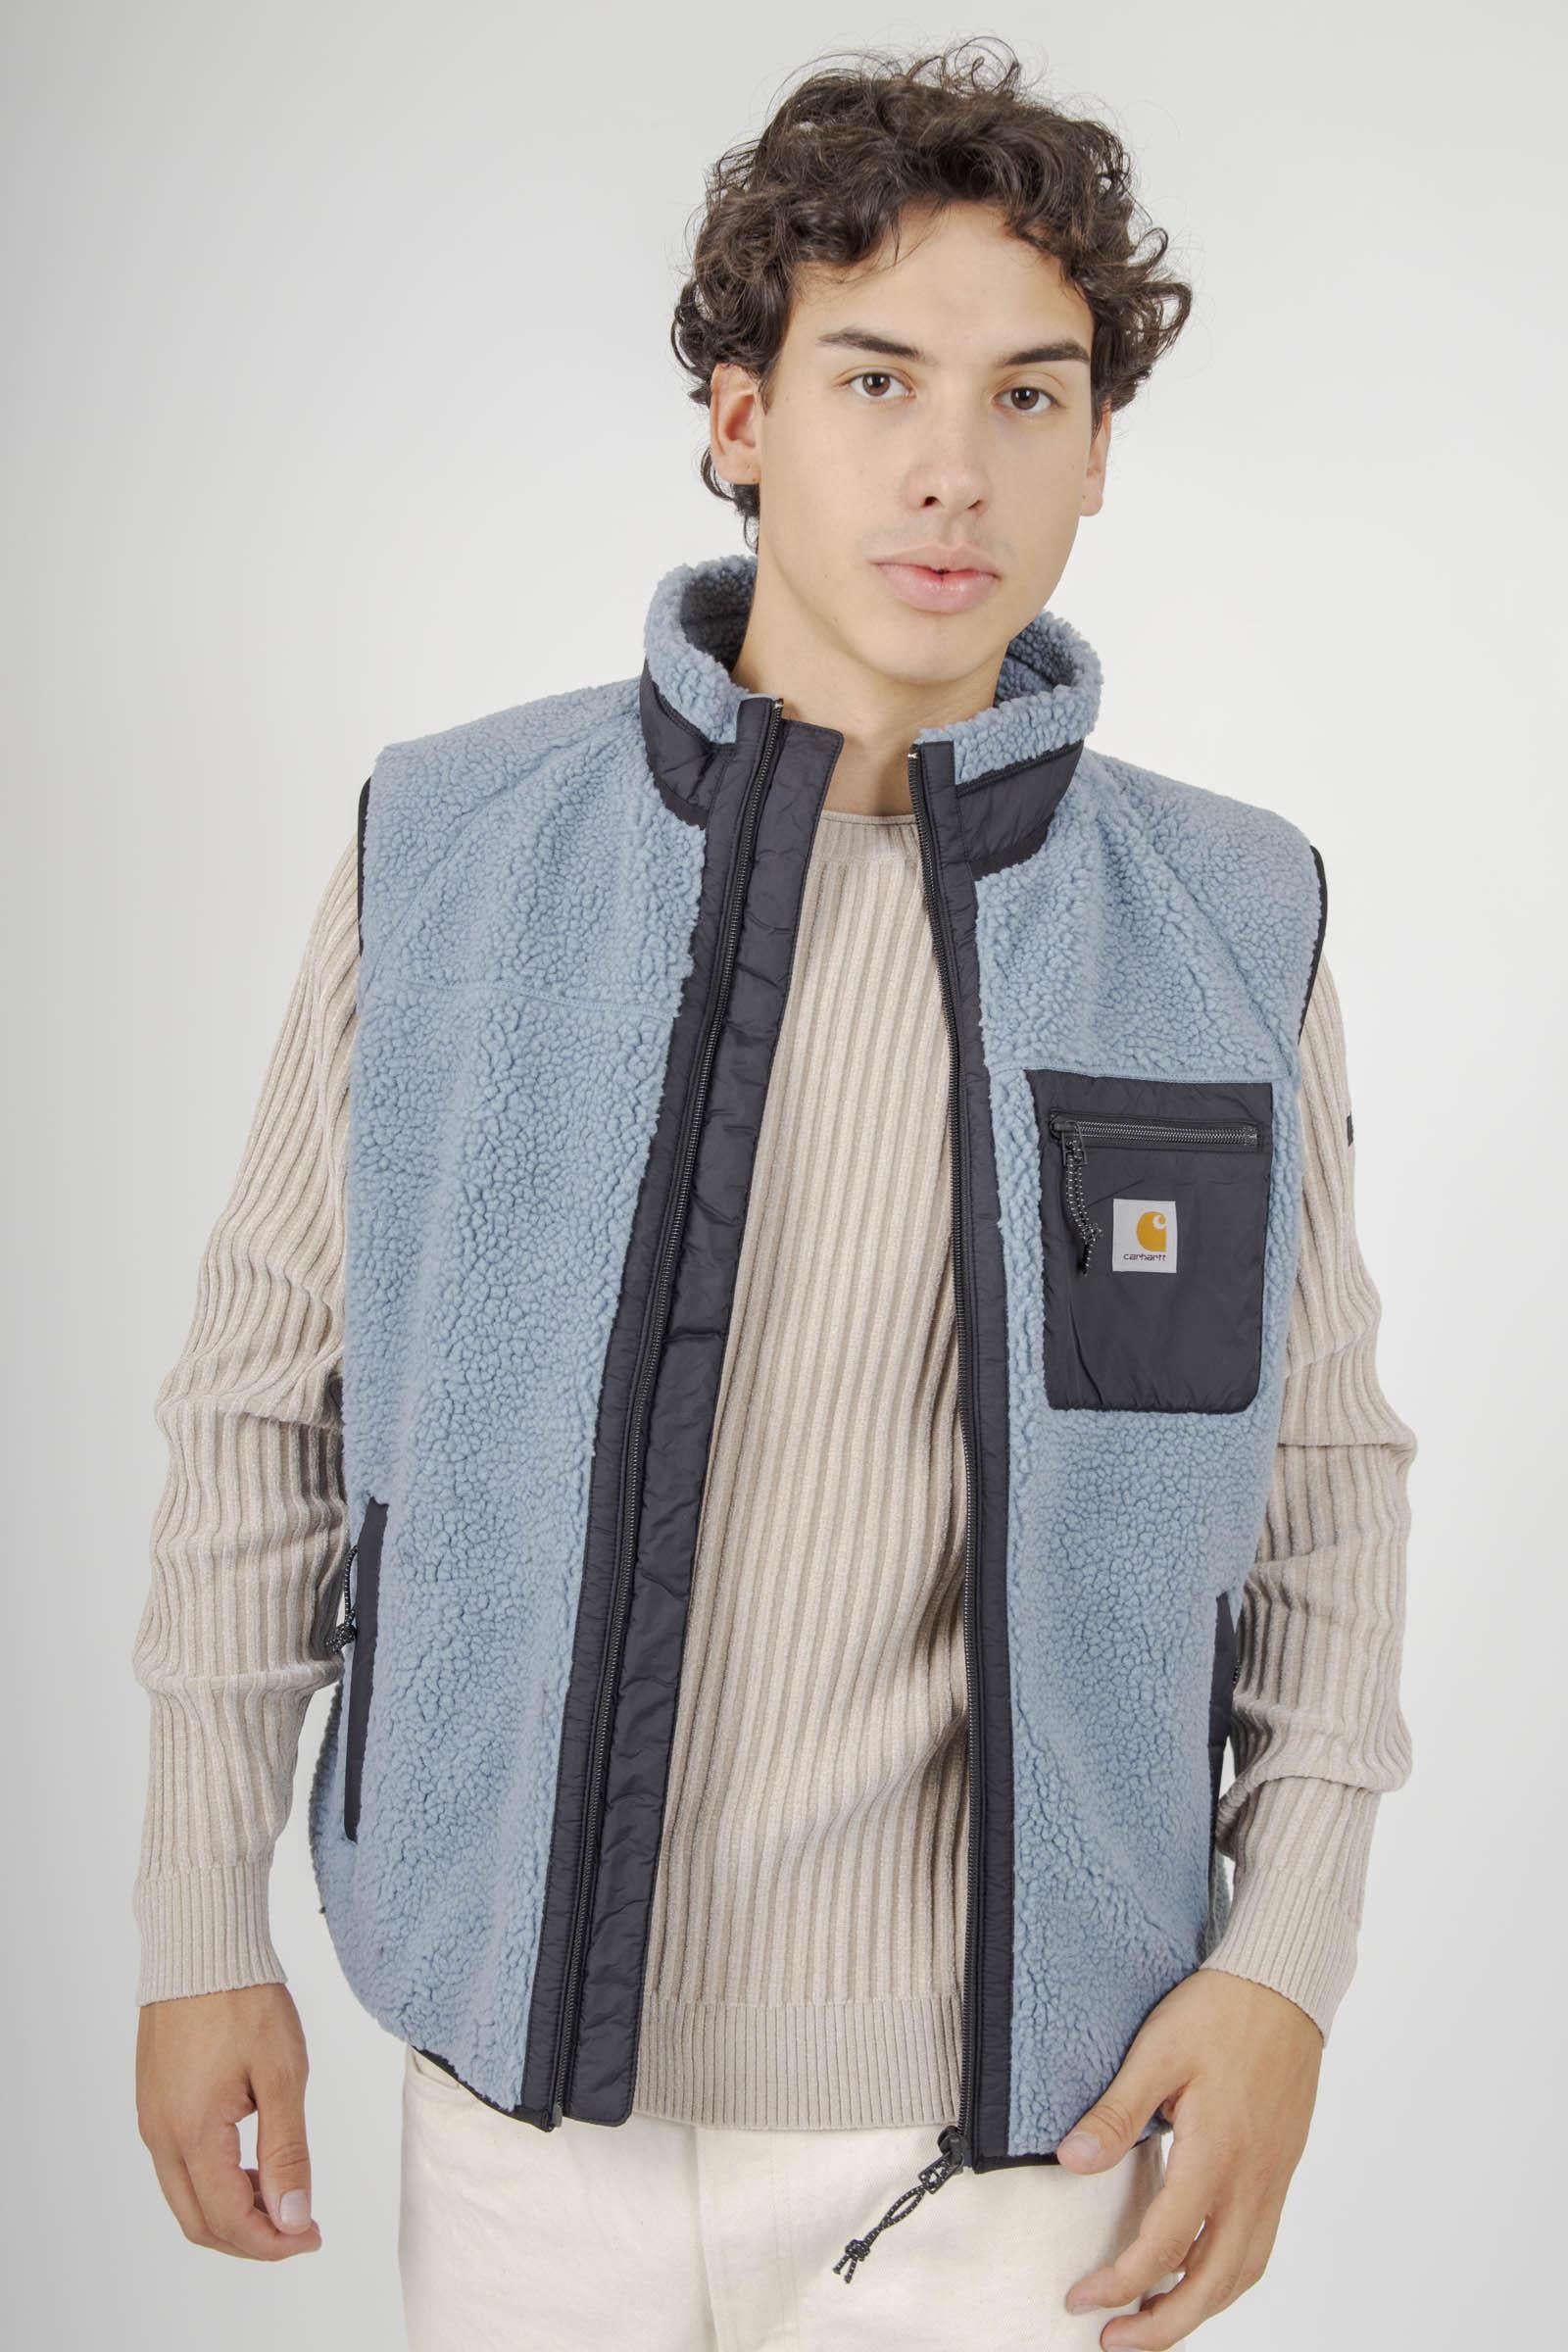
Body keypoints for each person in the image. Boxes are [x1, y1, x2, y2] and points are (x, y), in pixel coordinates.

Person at [130, 39, 1417, 2352]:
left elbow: (1317, 1489)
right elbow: (262, 1411)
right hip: (520, 2110)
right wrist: (196, 1922)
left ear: (1097, 449)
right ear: (740, 415)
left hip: (1023, 2142)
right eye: (873, 378)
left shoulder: (1224, 921)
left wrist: (1284, 1969)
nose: (950, 470)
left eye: (1027, 398)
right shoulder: (451, 851)